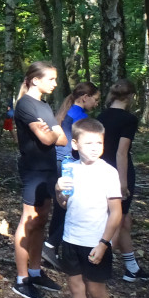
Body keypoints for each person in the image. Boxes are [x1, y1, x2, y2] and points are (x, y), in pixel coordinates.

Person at [54, 117, 122, 298]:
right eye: (88, 142)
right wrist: (59, 190)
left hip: (96, 242)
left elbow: (116, 212)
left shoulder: (108, 172)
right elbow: (64, 204)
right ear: (74, 144)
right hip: (71, 239)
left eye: (99, 142)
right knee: (76, 289)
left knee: (96, 291)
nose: (94, 147)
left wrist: (104, 243)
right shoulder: (70, 168)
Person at [11, 61, 67, 298]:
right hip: (33, 170)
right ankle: (21, 279)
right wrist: (52, 133)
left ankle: (35, 271)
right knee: (29, 221)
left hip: (49, 170)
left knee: (42, 219)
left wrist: (51, 133)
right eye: (51, 79)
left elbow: (62, 139)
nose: (55, 83)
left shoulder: (43, 106)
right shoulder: (25, 105)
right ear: (36, 80)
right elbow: (46, 139)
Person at [98, 79, 149, 282]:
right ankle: (101, 262)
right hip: (118, 172)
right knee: (116, 220)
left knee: (124, 221)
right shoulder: (129, 119)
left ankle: (131, 267)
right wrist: (122, 183)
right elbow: (122, 152)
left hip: (101, 169)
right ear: (131, 97)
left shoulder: (101, 116)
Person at [44, 82, 101, 269]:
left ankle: (53, 251)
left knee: (61, 210)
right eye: (95, 99)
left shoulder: (66, 113)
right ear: (85, 97)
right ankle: (50, 246)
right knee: (71, 208)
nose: (96, 103)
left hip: (58, 163)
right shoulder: (81, 118)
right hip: (68, 165)